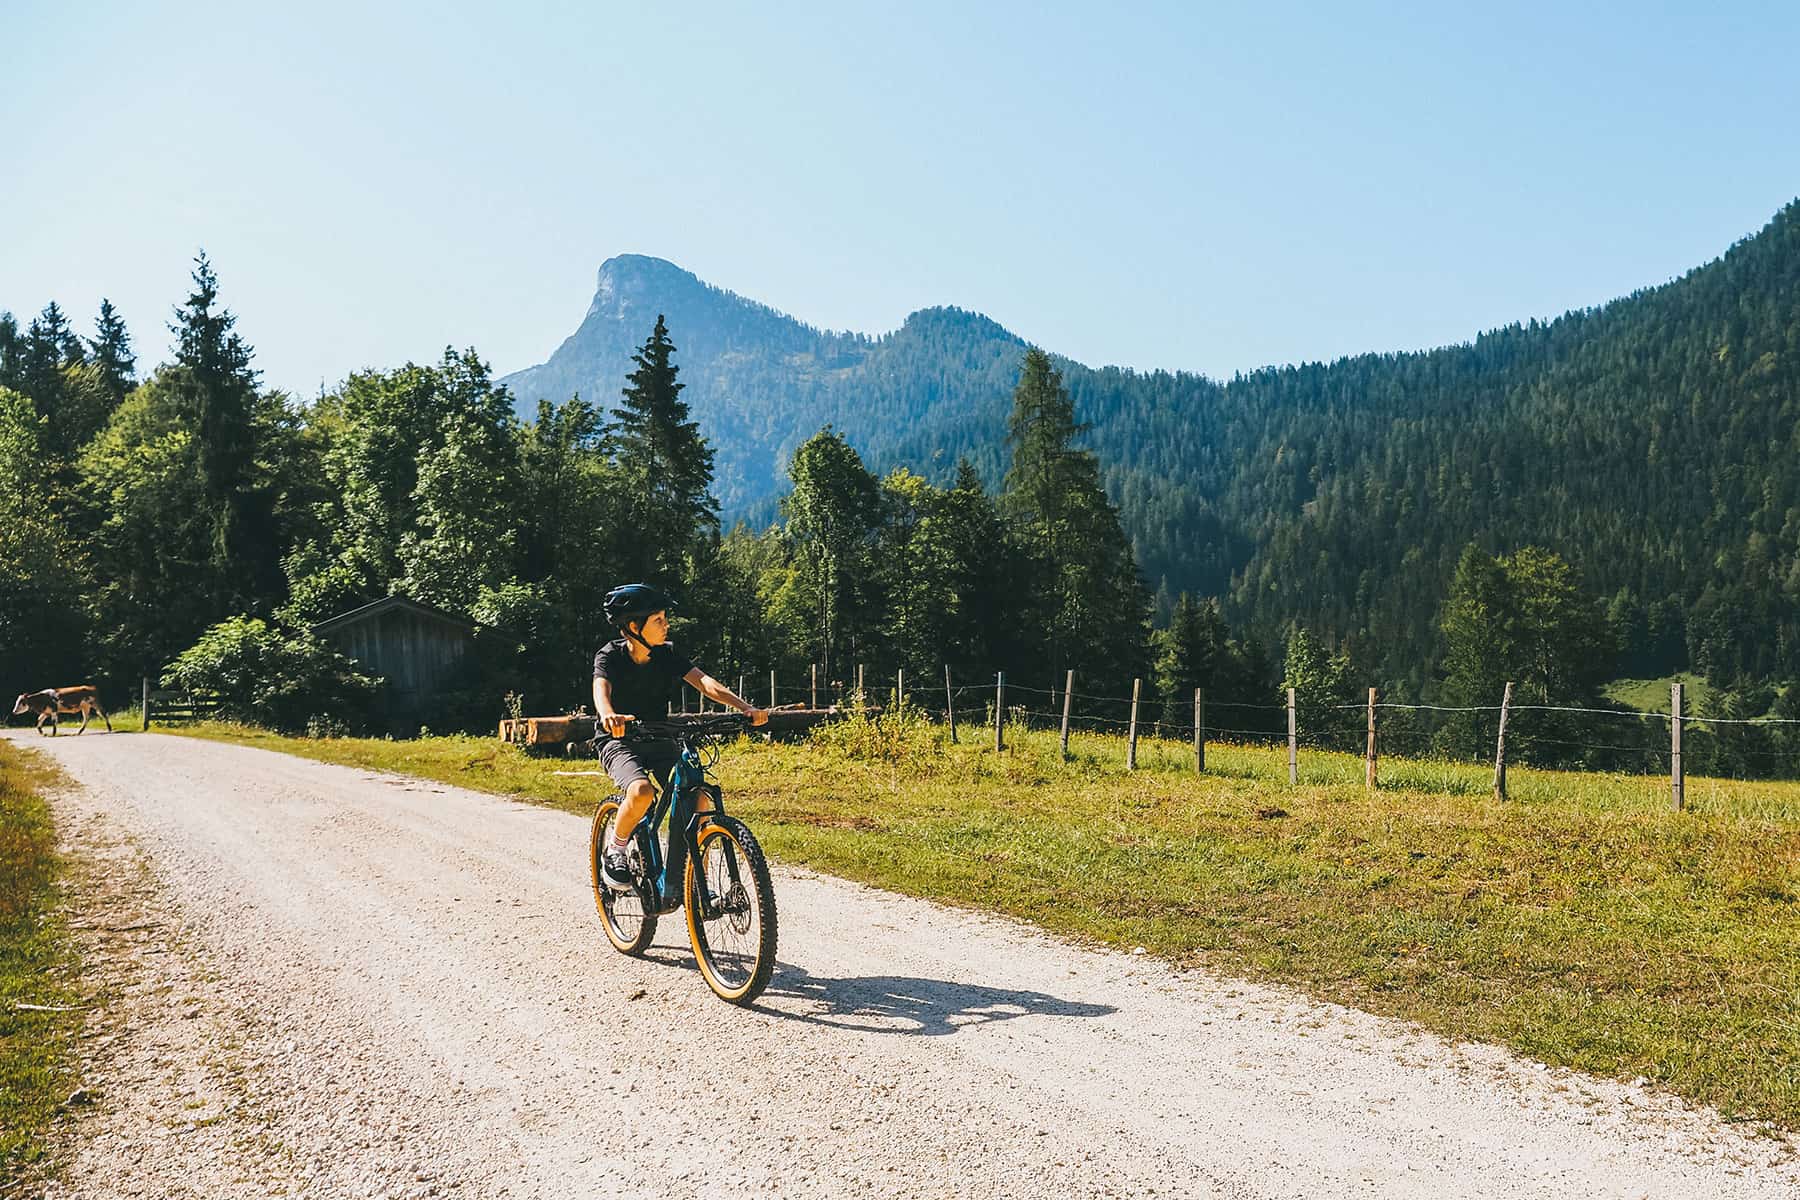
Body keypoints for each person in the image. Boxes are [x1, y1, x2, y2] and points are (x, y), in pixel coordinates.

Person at [593, 583, 767, 892]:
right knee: (642, 791)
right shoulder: (610, 656)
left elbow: (705, 683)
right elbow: (601, 689)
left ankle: (692, 876)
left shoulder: (666, 654)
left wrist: (745, 707)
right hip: (619, 740)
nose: (666, 624)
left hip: (659, 738)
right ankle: (616, 849)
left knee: (697, 794)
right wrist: (609, 714)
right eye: (657, 619)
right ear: (634, 627)